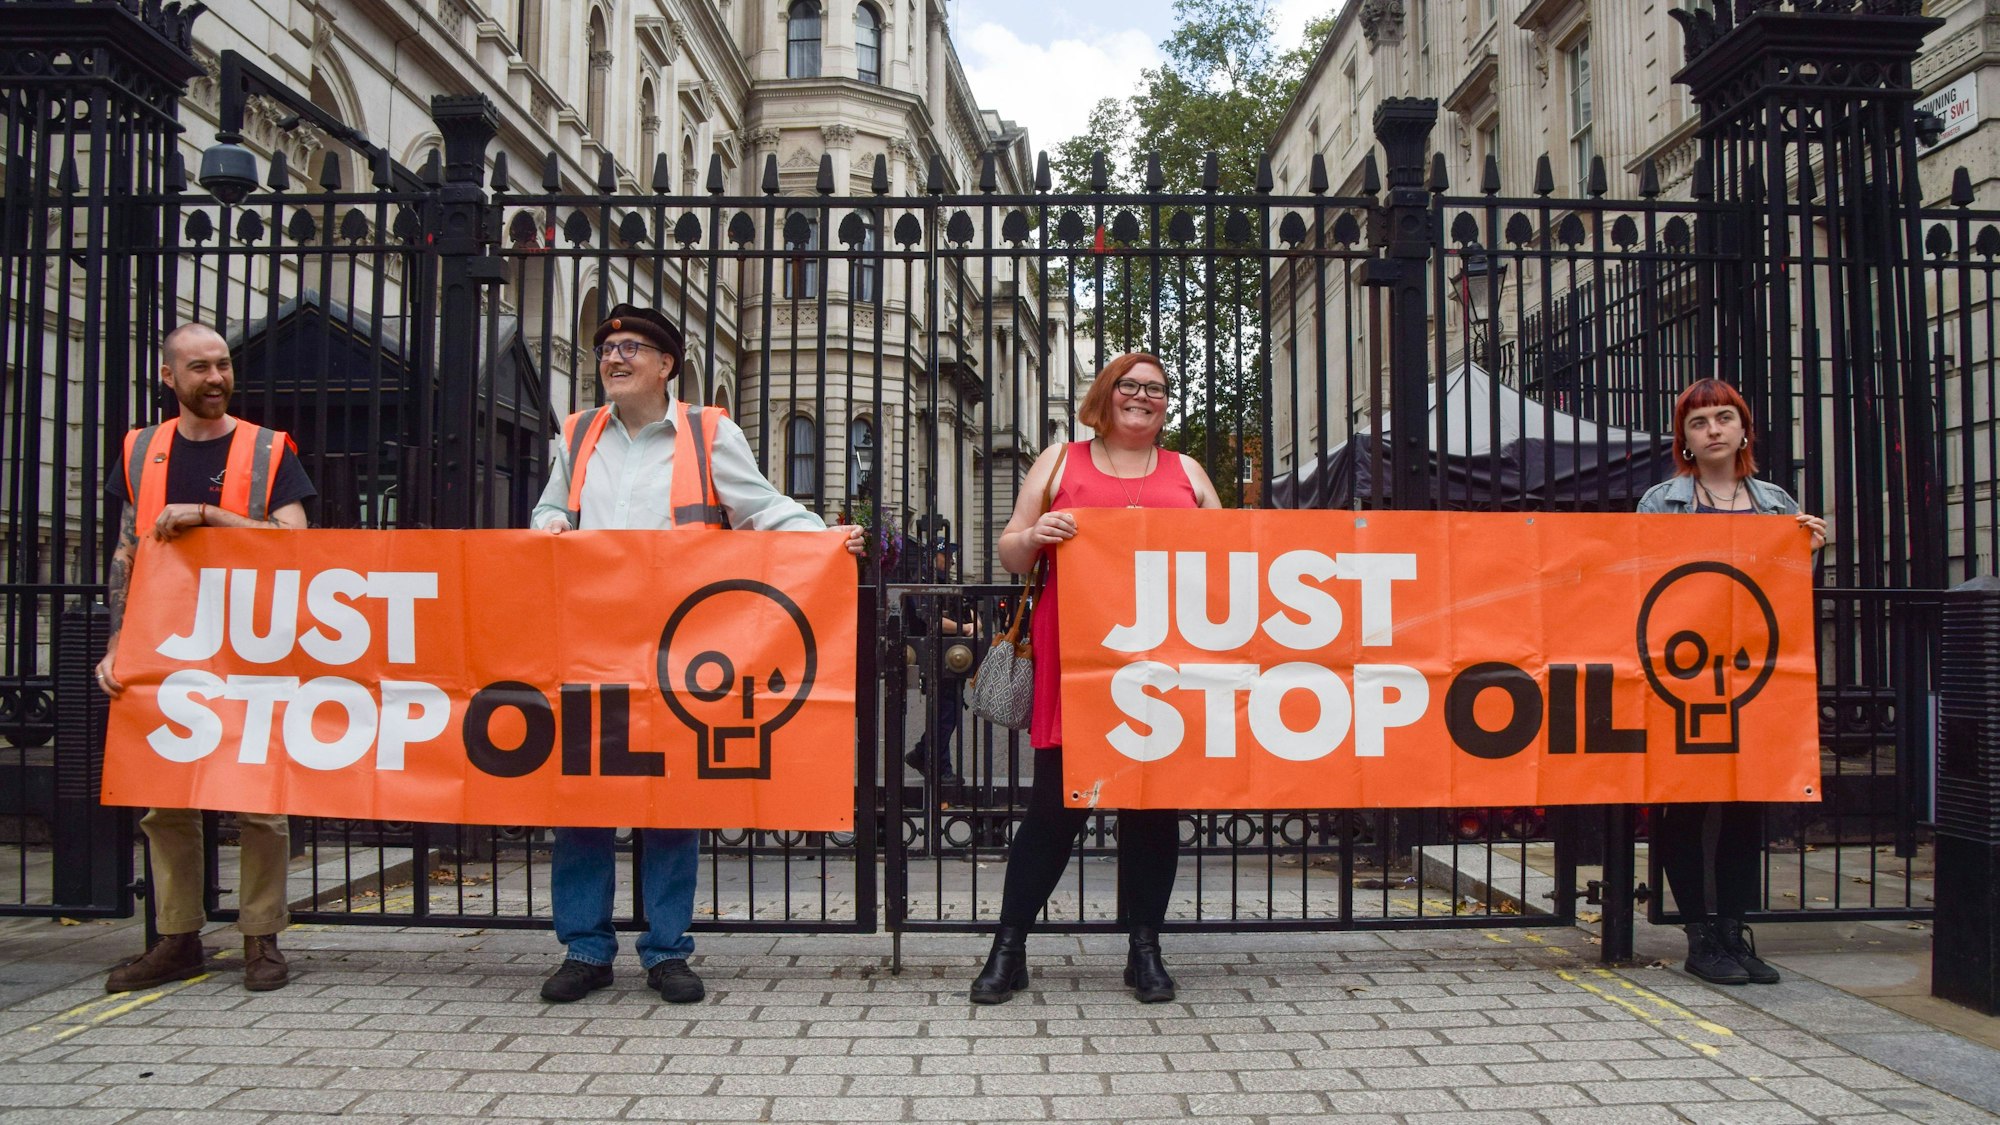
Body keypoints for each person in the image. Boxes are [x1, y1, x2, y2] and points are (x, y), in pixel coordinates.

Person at [530, 303, 865, 1005]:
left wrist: (824, 540)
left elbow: (761, 507)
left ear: (666, 364)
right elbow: (549, 510)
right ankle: (584, 947)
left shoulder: (709, 432)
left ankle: (666, 949)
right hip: (591, 642)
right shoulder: (577, 433)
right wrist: (552, 524)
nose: (613, 359)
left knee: (670, 800)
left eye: (629, 348)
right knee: (582, 799)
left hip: (677, 647)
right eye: (606, 348)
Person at [969, 352, 1223, 1005]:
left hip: (1164, 661)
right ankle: (1010, 947)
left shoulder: (1188, 471)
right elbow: (1010, 547)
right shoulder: (1059, 461)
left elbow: (1231, 559)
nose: (1142, 396)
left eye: (1156, 388)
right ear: (1106, 395)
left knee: (1152, 808)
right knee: (1055, 809)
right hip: (1077, 655)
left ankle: (1145, 949)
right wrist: (1039, 533)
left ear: (1167, 403)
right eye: (1130, 385)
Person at [97, 323, 317, 993]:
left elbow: (295, 542)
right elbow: (126, 555)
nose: (216, 378)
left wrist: (211, 517)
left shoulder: (267, 448)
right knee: (167, 801)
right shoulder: (141, 449)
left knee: (259, 800)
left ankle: (261, 938)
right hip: (168, 646)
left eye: (222, 364)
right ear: (171, 378)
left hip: (252, 645)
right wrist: (115, 644)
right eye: (199, 368)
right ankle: (177, 936)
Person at [1638, 377, 1828, 986]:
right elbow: (1643, 587)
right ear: (1684, 439)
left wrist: (1809, 549)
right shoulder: (1659, 503)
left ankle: (1734, 932)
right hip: (1685, 671)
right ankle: (1699, 934)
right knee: (1688, 803)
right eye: (1699, 422)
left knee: (1749, 802)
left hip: (1755, 672)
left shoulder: (1776, 503)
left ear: (1744, 429)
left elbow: (1787, 596)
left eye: (1724, 417)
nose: (1713, 429)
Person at [903, 537, 975, 789]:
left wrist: (970, 619)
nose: (953, 561)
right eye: (949, 556)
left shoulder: (943, 582)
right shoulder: (922, 582)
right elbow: (931, 620)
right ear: (936, 556)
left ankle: (923, 754)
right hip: (935, 654)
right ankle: (939, 767)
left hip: (953, 656)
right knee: (945, 713)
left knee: (948, 711)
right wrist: (966, 627)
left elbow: (963, 608)